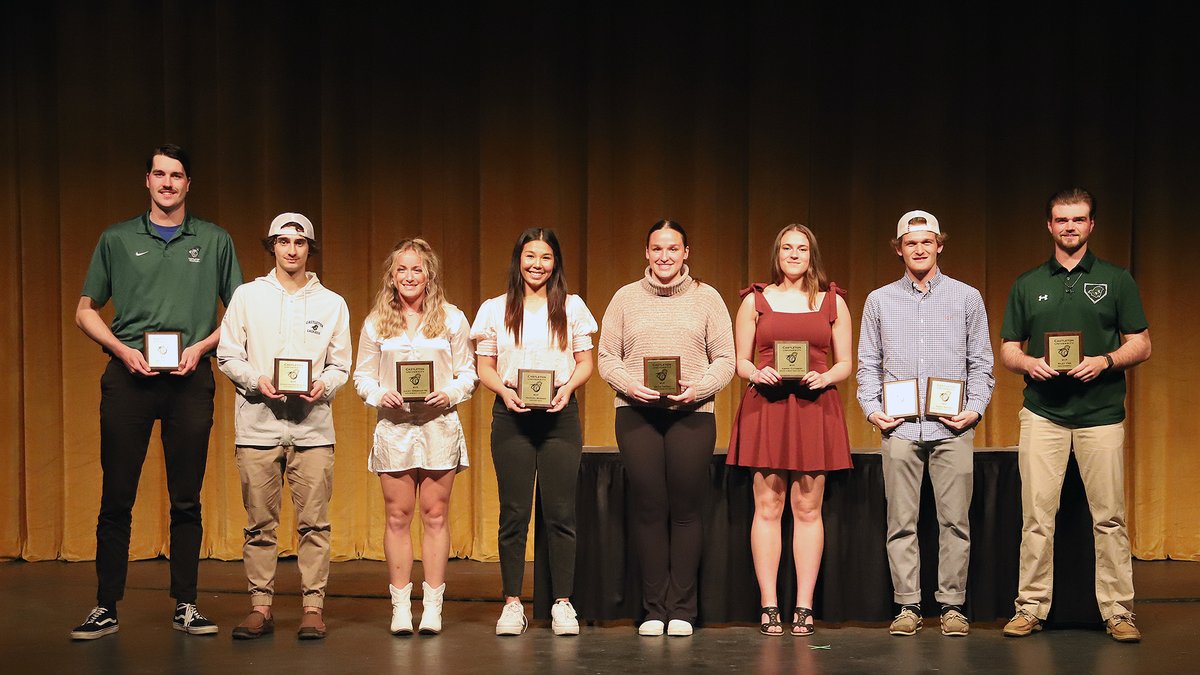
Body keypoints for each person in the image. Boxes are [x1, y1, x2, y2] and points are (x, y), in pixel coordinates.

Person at [71, 144, 243, 640]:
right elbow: (85, 309)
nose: (168, 183)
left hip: (190, 380)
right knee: (116, 497)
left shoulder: (213, 240)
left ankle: (186, 604)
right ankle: (105, 605)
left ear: (189, 184)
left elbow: (239, 311)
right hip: (129, 378)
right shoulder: (117, 239)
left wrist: (204, 347)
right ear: (147, 180)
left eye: (178, 175)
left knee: (186, 498)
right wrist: (121, 350)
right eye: (160, 174)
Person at [1000, 189, 1151, 643]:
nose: (1069, 226)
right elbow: (1008, 349)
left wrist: (1105, 361)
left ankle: (1119, 612)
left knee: (1109, 518)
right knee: (1036, 517)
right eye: (1061, 219)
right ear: (1049, 225)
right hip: (1043, 414)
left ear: (1091, 225)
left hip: (1101, 415)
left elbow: (1142, 342)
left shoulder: (1116, 279)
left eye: (1078, 219)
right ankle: (1029, 607)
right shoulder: (1027, 283)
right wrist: (1029, 364)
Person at [856, 209, 994, 638]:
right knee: (902, 522)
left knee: (955, 521)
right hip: (899, 430)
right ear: (899, 249)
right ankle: (908, 605)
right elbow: (867, 365)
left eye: (927, 241)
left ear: (939, 245)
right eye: (911, 243)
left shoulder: (966, 297)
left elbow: (982, 364)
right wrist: (871, 407)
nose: (919, 248)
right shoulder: (879, 300)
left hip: (952, 429)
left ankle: (952, 605)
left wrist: (974, 408)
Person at [216, 212, 352, 640]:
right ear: (271, 246)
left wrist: (323, 384)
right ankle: (261, 606)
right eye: (283, 241)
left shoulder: (332, 303)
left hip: (312, 430)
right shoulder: (246, 297)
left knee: (315, 522)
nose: (291, 249)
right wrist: (256, 380)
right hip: (258, 427)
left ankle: (313, 607)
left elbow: (341, 365)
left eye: (300, 242)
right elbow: (227, 354)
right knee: (260, 523)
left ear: (310, 249)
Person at [598, 220, 735, 637]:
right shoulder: (624, 298)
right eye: (657, 248)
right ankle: (654, 609)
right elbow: (607, 358)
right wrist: (629, 385)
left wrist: (699, 389)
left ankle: (682, 609)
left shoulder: (707, 298)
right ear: (646, 252)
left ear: (686, 253)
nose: (664, 257)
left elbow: (726, 360)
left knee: (686, 511)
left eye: (673, 249)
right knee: (649, 510)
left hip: (692, 413)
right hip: (636, 413)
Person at [726, 224, 853, 637]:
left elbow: (845, 362)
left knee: (808, 509)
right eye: (787, 247)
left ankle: (803, 605)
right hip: (768, 409)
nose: (794, 254)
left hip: (815, 409)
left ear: (811, 254)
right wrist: (756, 371)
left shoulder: (833, 301)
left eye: (801, 248)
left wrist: (827, 376)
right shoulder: (755, 301)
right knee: (767, 507)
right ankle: (768, 605)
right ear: (777, 253)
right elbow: (739, 361)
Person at [471, 228, 597, 637]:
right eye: (530, 256)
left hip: (560, 417)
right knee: (514, 514)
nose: (537, 264)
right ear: (518, 259)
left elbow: (585, 362)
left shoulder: (572, 306)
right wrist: (504, 392)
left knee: (561, 514)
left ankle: (563, 602)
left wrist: (568, 388)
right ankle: (511, 603)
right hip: (512, 418)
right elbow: (485, 367)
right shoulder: (495, 308)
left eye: (545, 257)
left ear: (555, 262)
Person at [354, 238, 477, 636]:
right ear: (392, 276)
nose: (409, 276)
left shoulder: (453, 319)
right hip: (395, 428)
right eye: (402, 269)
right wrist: (378, 394)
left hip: (439, 425)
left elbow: (469, 374)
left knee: (436, 515)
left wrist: (451, 392)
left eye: (417, 269)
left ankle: (434, 607)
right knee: (397, 516)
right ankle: (401, 607)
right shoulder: (376, 322)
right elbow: (362, 377)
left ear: (430, 276)